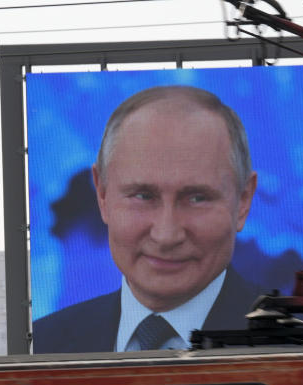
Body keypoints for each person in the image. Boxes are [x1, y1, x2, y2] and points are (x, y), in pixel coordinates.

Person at [32, 85, 261, 353]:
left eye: (197, 198)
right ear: (102, 195)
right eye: (143, 196)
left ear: (243, 201)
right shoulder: (44, 345)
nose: (166, 235)